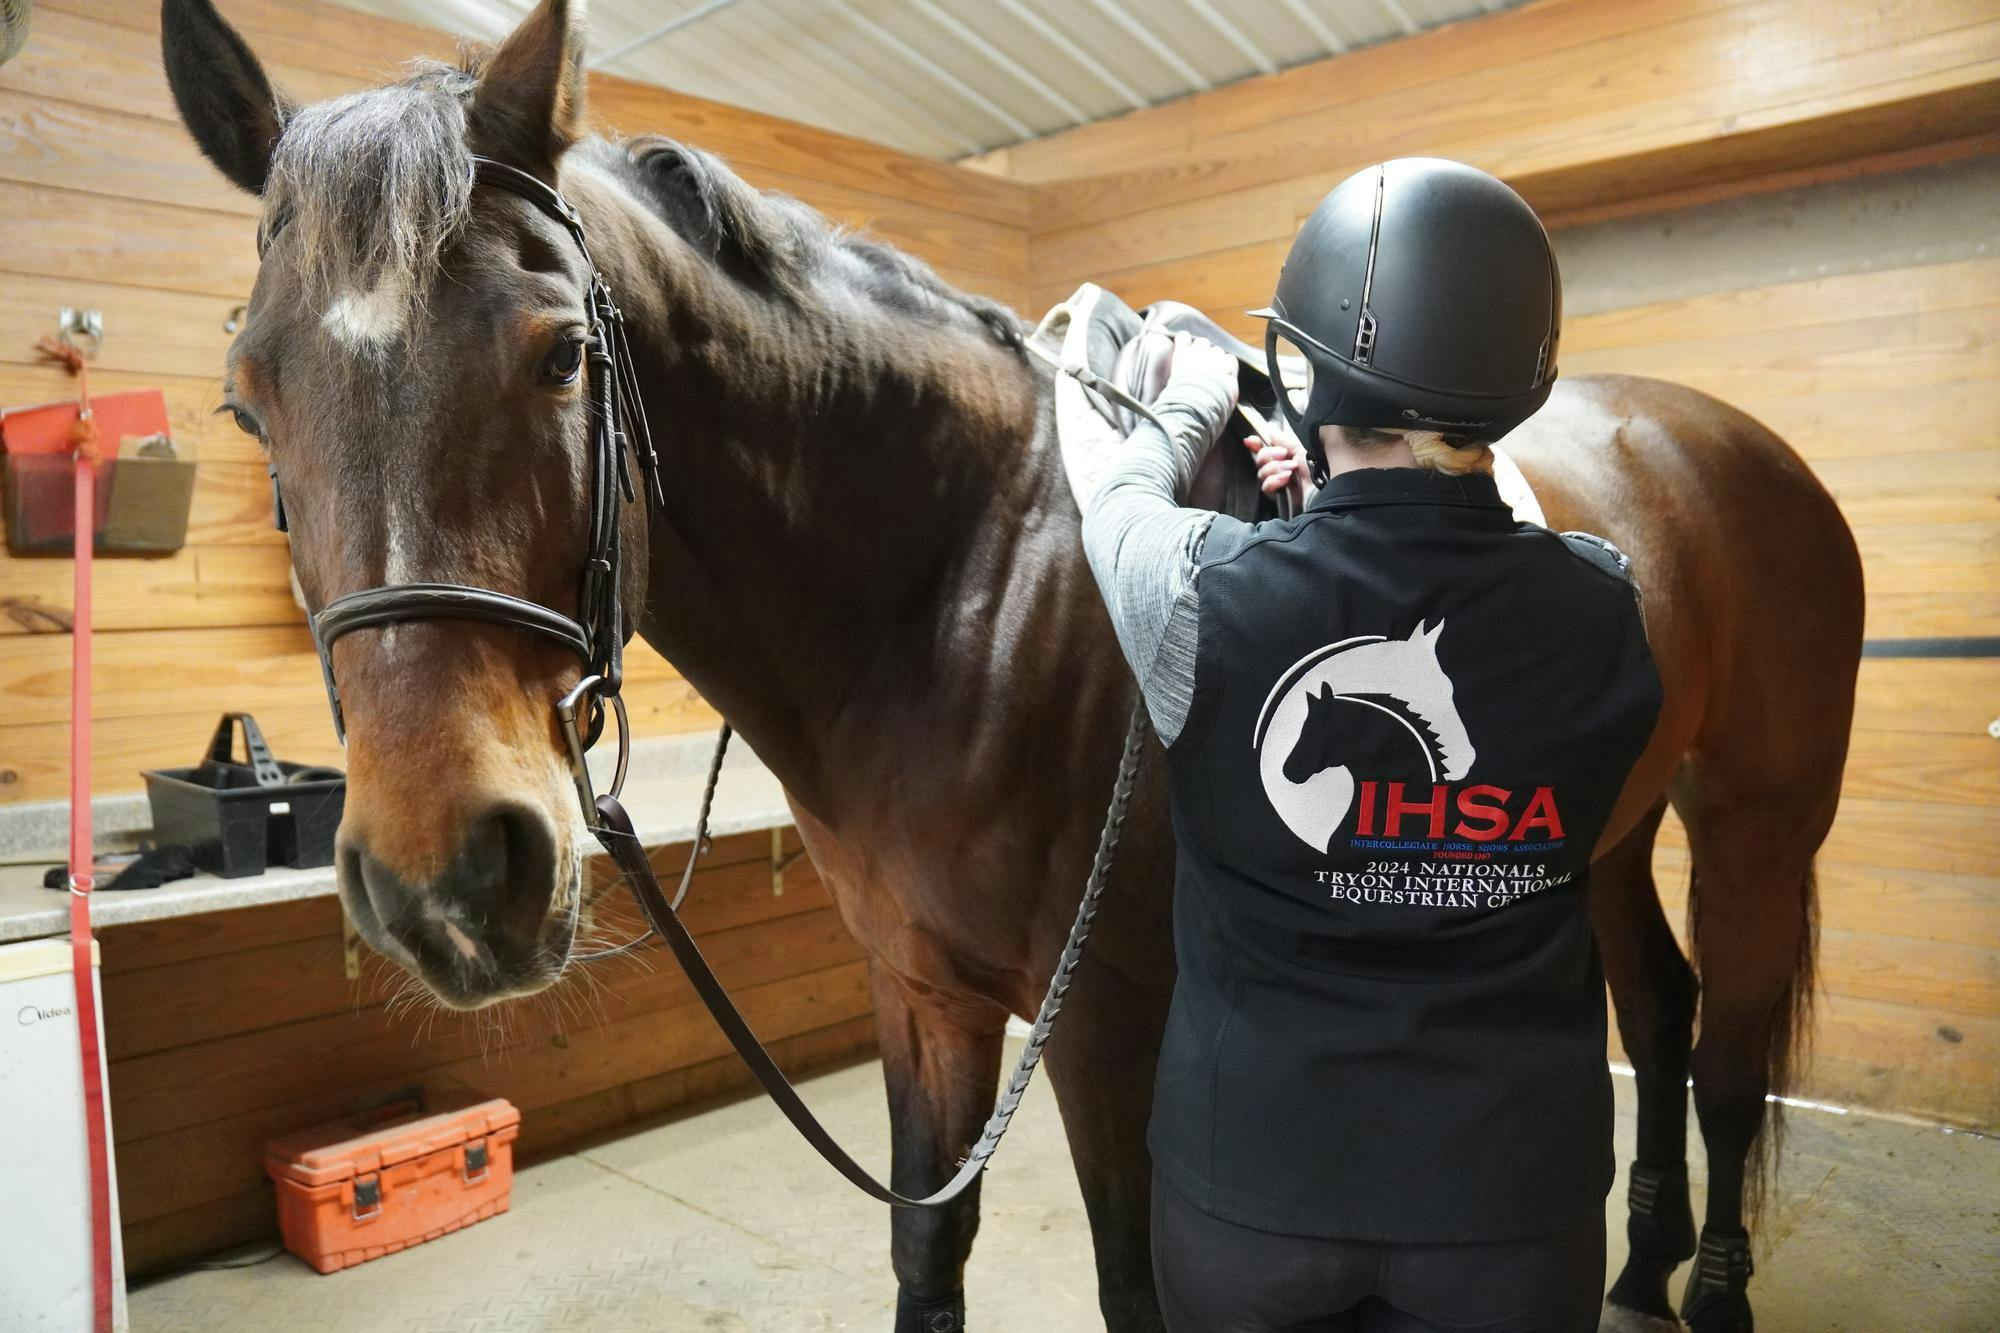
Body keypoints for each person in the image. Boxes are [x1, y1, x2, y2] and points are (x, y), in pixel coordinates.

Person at [1077, 158, 1663, 1333]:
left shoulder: (1191, 594)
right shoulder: (1605, 603)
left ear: (1307, 378)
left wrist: (1194, 403)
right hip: (1511, 1211)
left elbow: (1118, 501)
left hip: (1248, 1198)